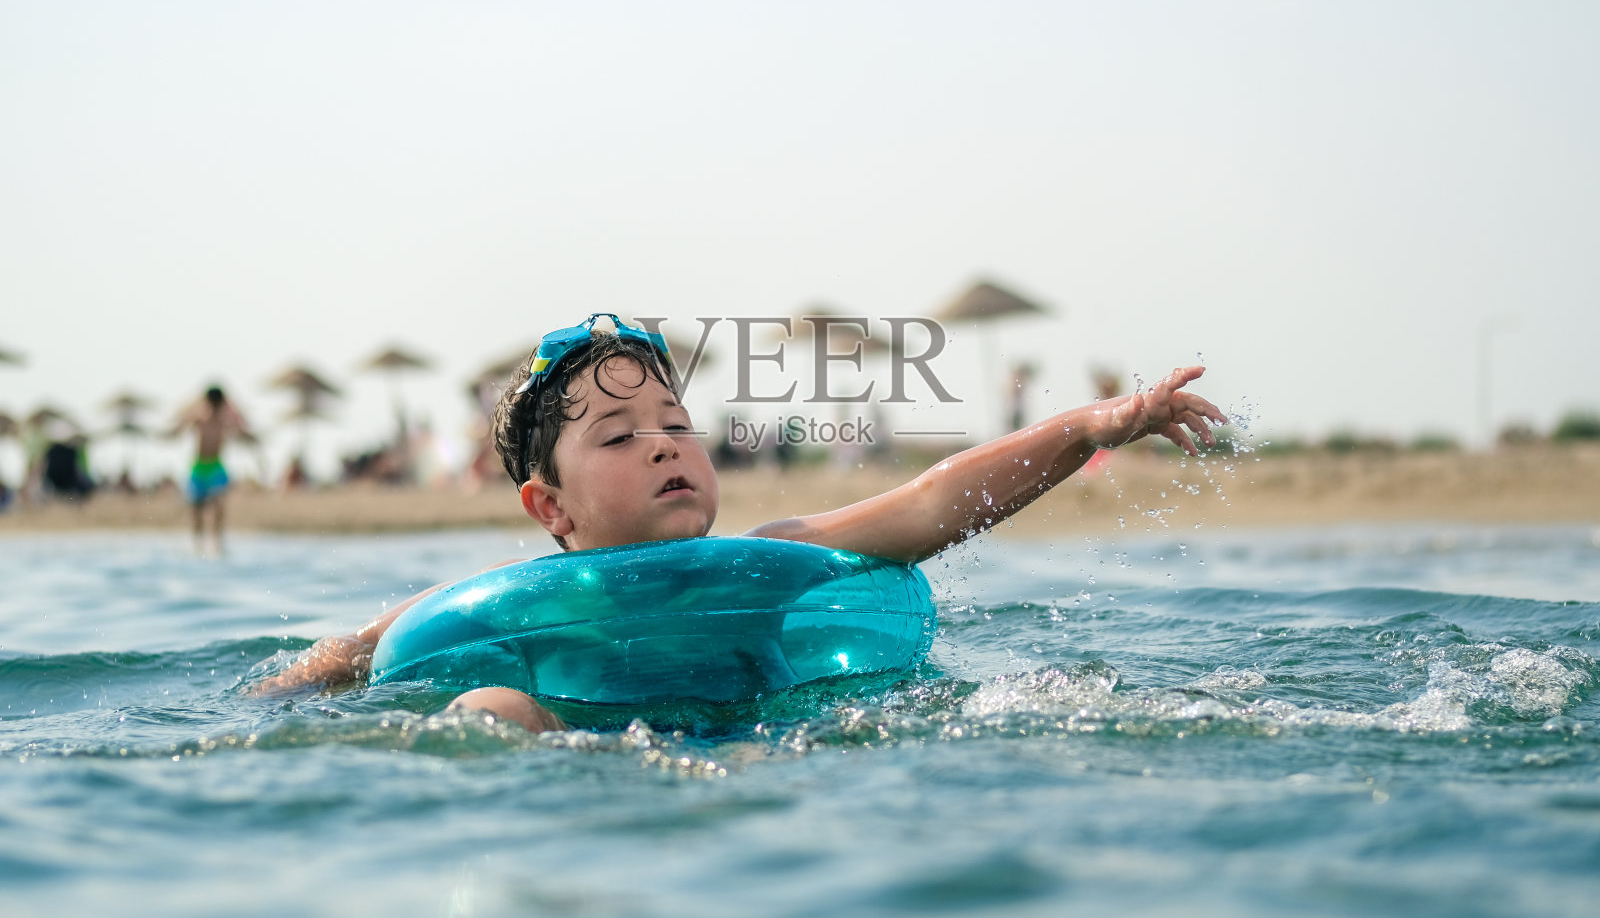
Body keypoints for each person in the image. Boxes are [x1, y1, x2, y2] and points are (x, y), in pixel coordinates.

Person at [251, 314, 1224, 732]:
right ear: (550, 506)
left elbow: (933, 501)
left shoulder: (774, 558)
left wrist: (1089, 427)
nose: (664, 446)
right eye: (620, 436)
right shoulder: (502, 605)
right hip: (583, 753)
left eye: (677, 425)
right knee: (490, 710)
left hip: (762, 744)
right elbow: (356, 651)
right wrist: (267, 703)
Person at [170, 385, 257, 554]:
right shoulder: (198, 419)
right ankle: (197, 544)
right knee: (196, 510)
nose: (216, 409)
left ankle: (217, 543)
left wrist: (255, 438)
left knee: (218, 506)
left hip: (216, 467)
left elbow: (243, 433)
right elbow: (178, 430)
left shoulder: (226, 421)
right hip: (199, 467)